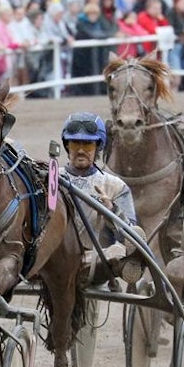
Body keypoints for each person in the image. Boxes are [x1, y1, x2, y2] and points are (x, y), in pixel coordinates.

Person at [58, 112, 141, 285]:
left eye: (87, 144)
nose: (80, 150)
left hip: (95, 261)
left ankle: (124, 267)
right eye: (75, 144)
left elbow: (130, 236)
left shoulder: (115, 186)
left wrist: (112, 210)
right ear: (67, 146)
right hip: (55, 259)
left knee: (119, 250)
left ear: (98, 147)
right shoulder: (52, 178)